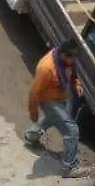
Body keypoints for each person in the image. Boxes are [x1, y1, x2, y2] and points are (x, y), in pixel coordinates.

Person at [24, 39, 89, 178]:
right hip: (48, 101)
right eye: (73, 58)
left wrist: (76, 84)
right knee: (71, 130)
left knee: (51, 119)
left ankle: (31, 136)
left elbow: (73, 73)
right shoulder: (46, 68)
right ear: (64, 55)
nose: (74, 61)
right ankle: (70, 167)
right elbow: (34, 92)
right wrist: (33, 112)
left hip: (61, 97)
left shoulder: (67, 61)